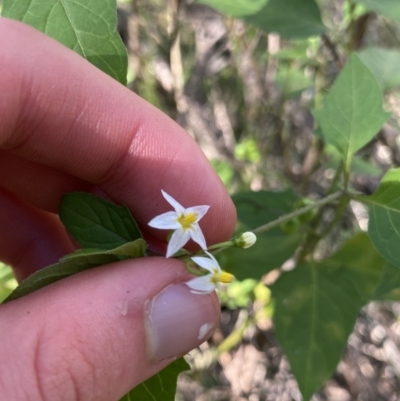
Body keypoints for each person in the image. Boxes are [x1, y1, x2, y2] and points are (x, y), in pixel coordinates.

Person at [0, 18, 236, 401]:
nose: (190, 218)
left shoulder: (188, 234)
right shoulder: (183, 227)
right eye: (187, 217)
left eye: (189, 218)